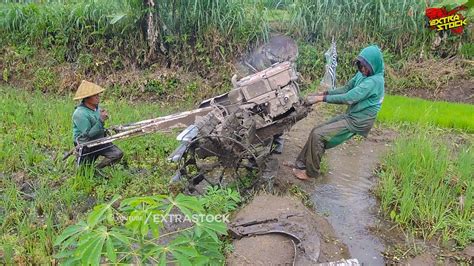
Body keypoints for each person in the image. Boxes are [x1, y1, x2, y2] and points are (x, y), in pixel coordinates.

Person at [291, 45, 385, 180]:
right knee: (316, 130)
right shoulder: (362, 74)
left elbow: (349, 98)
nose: (363, 69)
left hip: (358, 121)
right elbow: (346, 88)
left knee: (319, 135)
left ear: (374, 66)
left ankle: (311, 173)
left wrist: (321, 99)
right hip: (352, 115)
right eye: (360, 65)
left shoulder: (375, 81)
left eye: (366, 67)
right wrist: (324, 93)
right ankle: (301, 164)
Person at [72, 80, 123, 168]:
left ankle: (97, 169)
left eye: (98, 95)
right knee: (83, 172)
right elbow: (88, 135)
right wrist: (101, 120)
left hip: (100, 140)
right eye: (95, 95)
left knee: (117, 154)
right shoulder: (79, 114)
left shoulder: (97, 108)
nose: (98, 97)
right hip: (86, 145)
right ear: (87, 98)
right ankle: (88, 168)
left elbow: (100, 126)